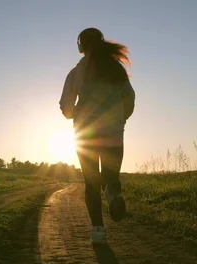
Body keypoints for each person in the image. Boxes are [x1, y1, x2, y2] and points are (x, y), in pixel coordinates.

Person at [59, 27, 135, 244]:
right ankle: (113, 195)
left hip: (86, 135)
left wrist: (75, 114)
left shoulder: (76, 73)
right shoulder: (116, 70)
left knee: (91, 183)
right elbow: (129, 98)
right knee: (111, 177)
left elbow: (65, 107)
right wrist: (120, 118)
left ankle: (98, 231)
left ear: (80, 46)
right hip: (113, 134)